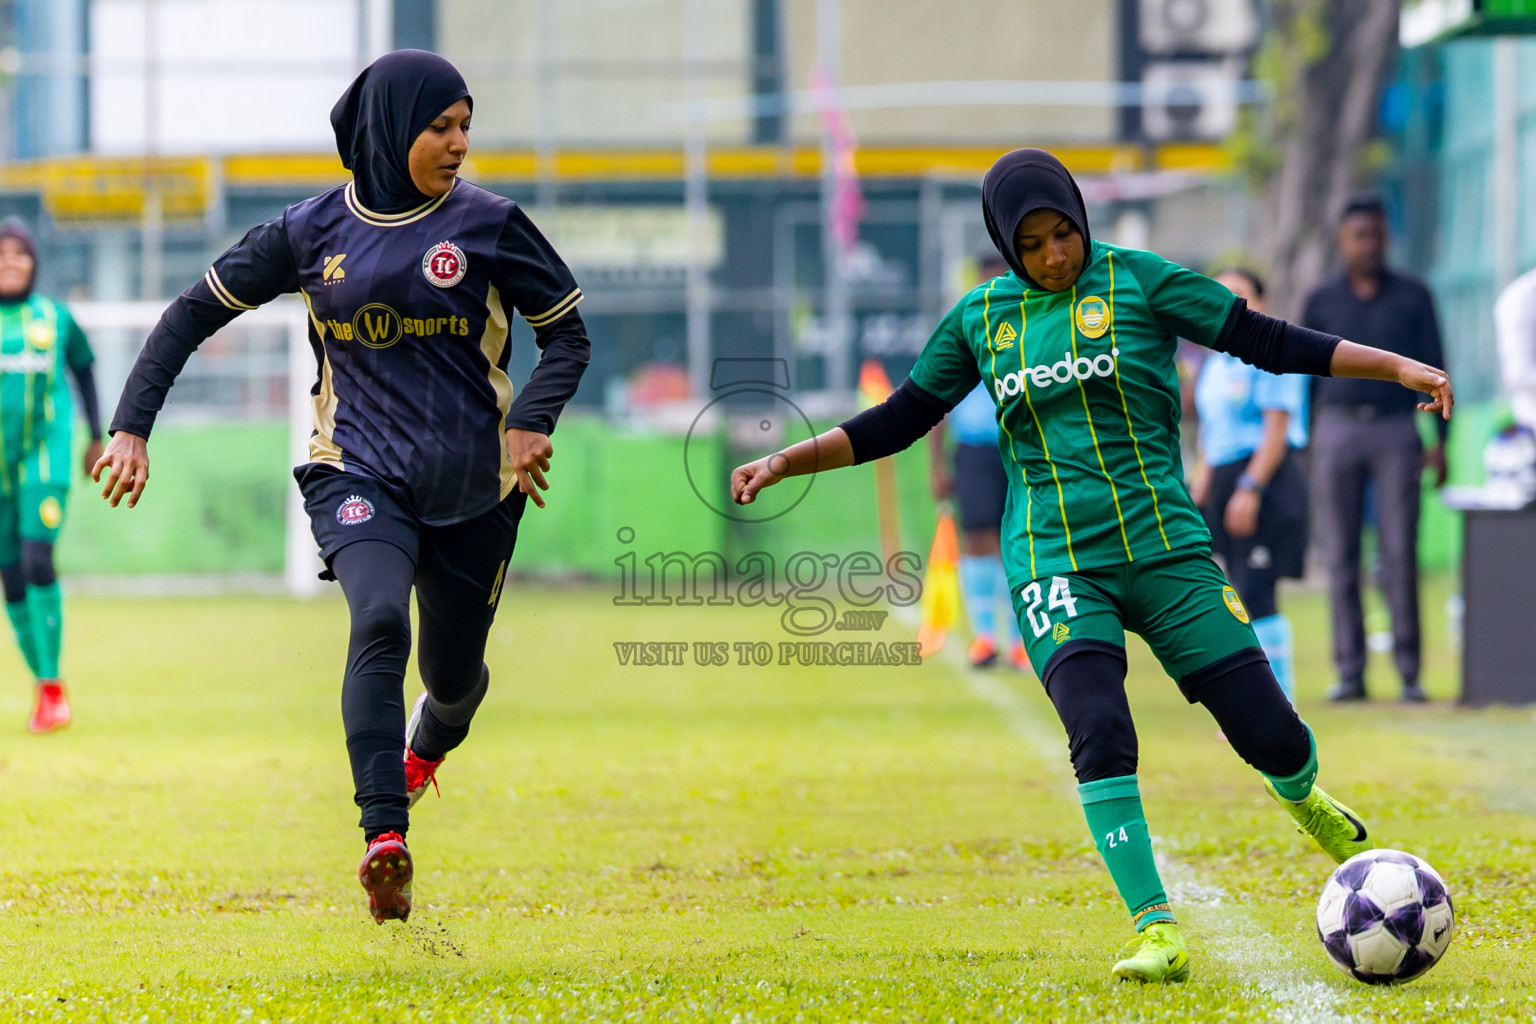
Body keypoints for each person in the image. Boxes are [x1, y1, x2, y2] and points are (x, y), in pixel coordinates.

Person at [730, 150, 1453, 983]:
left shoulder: (1140, 280)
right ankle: (1156, 930)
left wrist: (1394, 366)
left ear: (1081, 219)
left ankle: (1299, 794)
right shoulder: (981, 319)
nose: (1053, 256)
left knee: (1273, 734)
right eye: (1030, 244)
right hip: (1055, 562)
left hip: (1166, 548)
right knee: (1099, 726)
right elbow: (899, 418)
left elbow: (1267, 341)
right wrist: (786, 459)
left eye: (1063, 234)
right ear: (1006, 246)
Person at [92, 50, 591, 924]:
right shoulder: (308, 231)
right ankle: (384, 836)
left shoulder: (491, 225)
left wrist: (531, 419)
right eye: (440, 127)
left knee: (453, 678)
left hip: (476, 487)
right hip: (355, 469)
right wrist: (131, 426)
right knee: (379, 618)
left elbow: (569, 336)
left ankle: (427, 744)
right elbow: (190, 314)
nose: (459, 144)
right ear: (390, 130)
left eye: (465, 127)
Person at [1302, 196, 1447, 703]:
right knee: (1340, 554)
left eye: (1377, 235)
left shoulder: (1414, 295)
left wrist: (1440, 444)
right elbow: (1304, 371)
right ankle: (1350, 672)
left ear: (1387, 237)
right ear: (1343, 241)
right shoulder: (1322, 299)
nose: (1369, 245)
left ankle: (1409, 672)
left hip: (1396, 430)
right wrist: (1307, 440)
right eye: (1359, 236)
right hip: (1337, 428)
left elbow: (1438, 365)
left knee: (1400, 550)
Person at [0, 219, 102, 734]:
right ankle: (45, 686)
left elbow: (84, 368)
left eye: (20, 253)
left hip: (45, 455)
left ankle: (53, 688)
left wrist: (96, 436)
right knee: (11, 576)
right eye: (2, 254)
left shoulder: (55, 317)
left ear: (33, 263)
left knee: (37, 558)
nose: (10, 262)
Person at [1190, 268, 1308, 701]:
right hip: (1224, 478)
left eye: (1239, 294)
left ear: (1260, 302)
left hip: (1261, 479)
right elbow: (1209, 433)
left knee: (1258, 592)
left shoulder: (1273, 354)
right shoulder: (1215, 363)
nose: (1230, 302)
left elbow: (1276, 428)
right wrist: (1200, 489)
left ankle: (1280, 705)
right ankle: (1255, 705)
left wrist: (1250, 489)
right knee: (1234, 592)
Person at [928, 253, 1026, 670]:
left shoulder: (1029, 326)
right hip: (974, 449)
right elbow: (935, 402)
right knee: (978, 538)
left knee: (1017, 541)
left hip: (1020, 447)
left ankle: (1020, 642)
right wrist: (938, 466)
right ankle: (985, 637)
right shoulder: (965, 329)